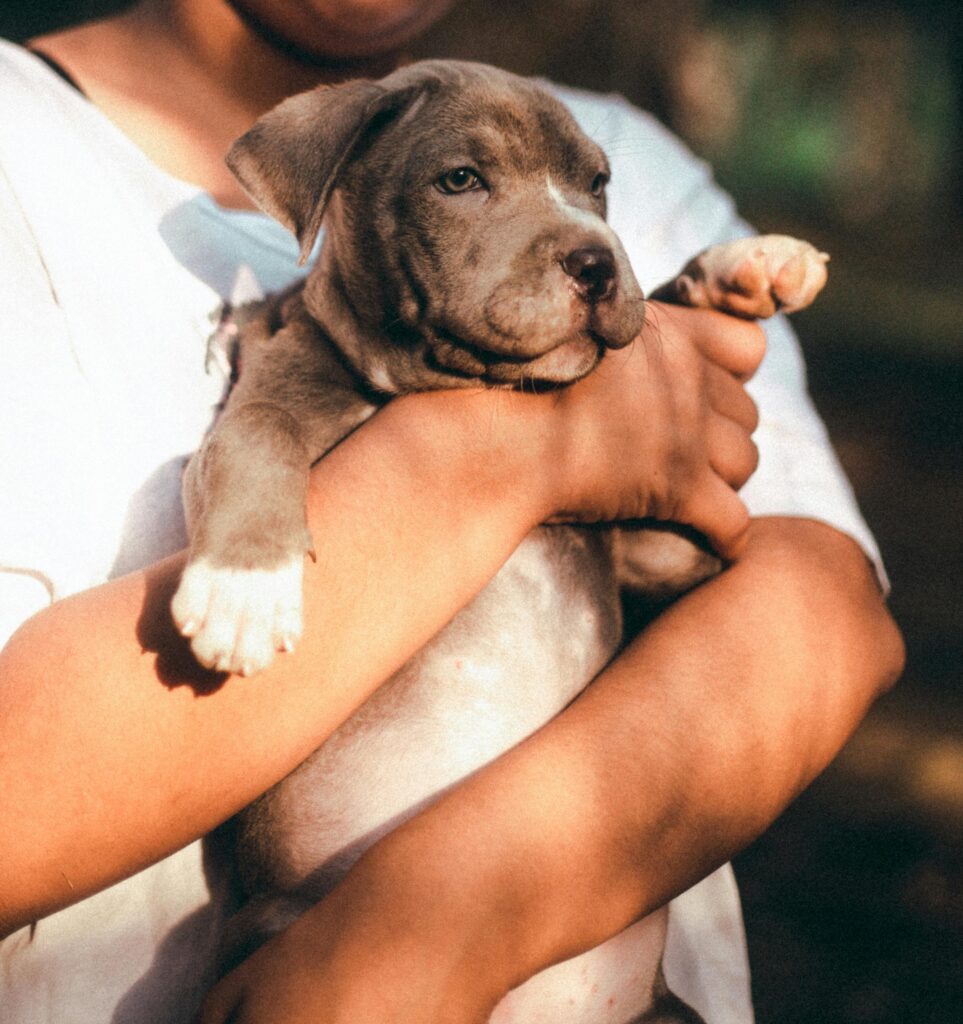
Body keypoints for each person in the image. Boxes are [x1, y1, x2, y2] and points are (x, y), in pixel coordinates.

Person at [0, 1, 903, 1022]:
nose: (584, 224)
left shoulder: (639, 166)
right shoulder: (24, 158)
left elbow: (819, 611)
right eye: (465, 181)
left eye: (588, 189)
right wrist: (513, 453)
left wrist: (434, 927)